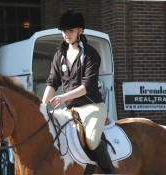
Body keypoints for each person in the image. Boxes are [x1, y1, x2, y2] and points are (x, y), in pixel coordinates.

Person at [42, 9, 115, 174]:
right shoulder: (59, 54)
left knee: (90, 140)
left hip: (92, 107)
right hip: (71, 110)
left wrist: (62, 97)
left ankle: (108, 171)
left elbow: (87, 86)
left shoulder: (90, 54)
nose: (67, 35)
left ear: (79, 31)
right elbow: (52, 82)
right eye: (64, 31)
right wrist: (42, 106)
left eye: (70, 31)